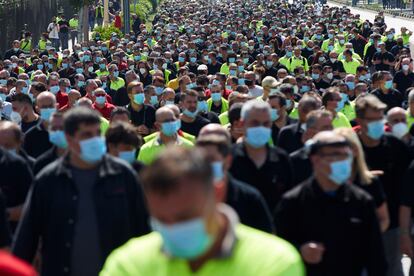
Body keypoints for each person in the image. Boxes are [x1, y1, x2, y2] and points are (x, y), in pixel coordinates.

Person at [100, 147, 304, 276]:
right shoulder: (128, 262)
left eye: (185, 216)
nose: (174, 228)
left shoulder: (274, 260)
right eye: (160, 220)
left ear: (218, 192)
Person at [13, 107, 150, 276]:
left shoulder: (123, 175)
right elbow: (27, 238)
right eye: (86, 135)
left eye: (97, 133)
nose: (94, 140)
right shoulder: (48, 180)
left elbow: (144, 231)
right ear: (69, 139)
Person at [275, 131, 387, 276]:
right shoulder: (293, 202)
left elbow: (376, 257)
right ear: (315, 159)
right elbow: (278, 248)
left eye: (345, 155)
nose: (343, 161)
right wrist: (300, 250)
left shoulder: (361, 201)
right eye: (335, 155)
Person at [355, 94, 411, 276]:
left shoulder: (395, 146)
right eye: (373, 119)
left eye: (381, 117)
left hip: (392, 225)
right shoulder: (350, 148)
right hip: (358, 224)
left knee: (392, 270)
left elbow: (408, 186)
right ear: (360, 120)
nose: (378, 123)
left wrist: (405, 231)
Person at [197, 125, 274, 233]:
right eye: (200, 160)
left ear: (227, 160)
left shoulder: (250, 199)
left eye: (210, 159)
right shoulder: (185, 198)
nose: (205, 165)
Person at [229, 100, 293, 211]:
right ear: (242, 124)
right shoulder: (228, 158)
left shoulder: (282, 158)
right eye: (255, 123)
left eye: (266, 124)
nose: (261, 128)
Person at [290, 110, 334, 185]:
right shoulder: (293, 161)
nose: (332, 131)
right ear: (310, 131)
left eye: (331, 127)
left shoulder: (340, 156)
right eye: (326, 128)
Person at [33, 111, 68, 175]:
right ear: (49, 130)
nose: (58, 132)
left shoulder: (82, 160)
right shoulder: (41, 163)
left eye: (61, 128)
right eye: (54, 128)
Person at [22, 92, 55, 158]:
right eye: (44, 107)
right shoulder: (30, 136)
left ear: (57, 106)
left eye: (50, 106)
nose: (48, 109)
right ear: (37, 109)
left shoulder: (68, 131)